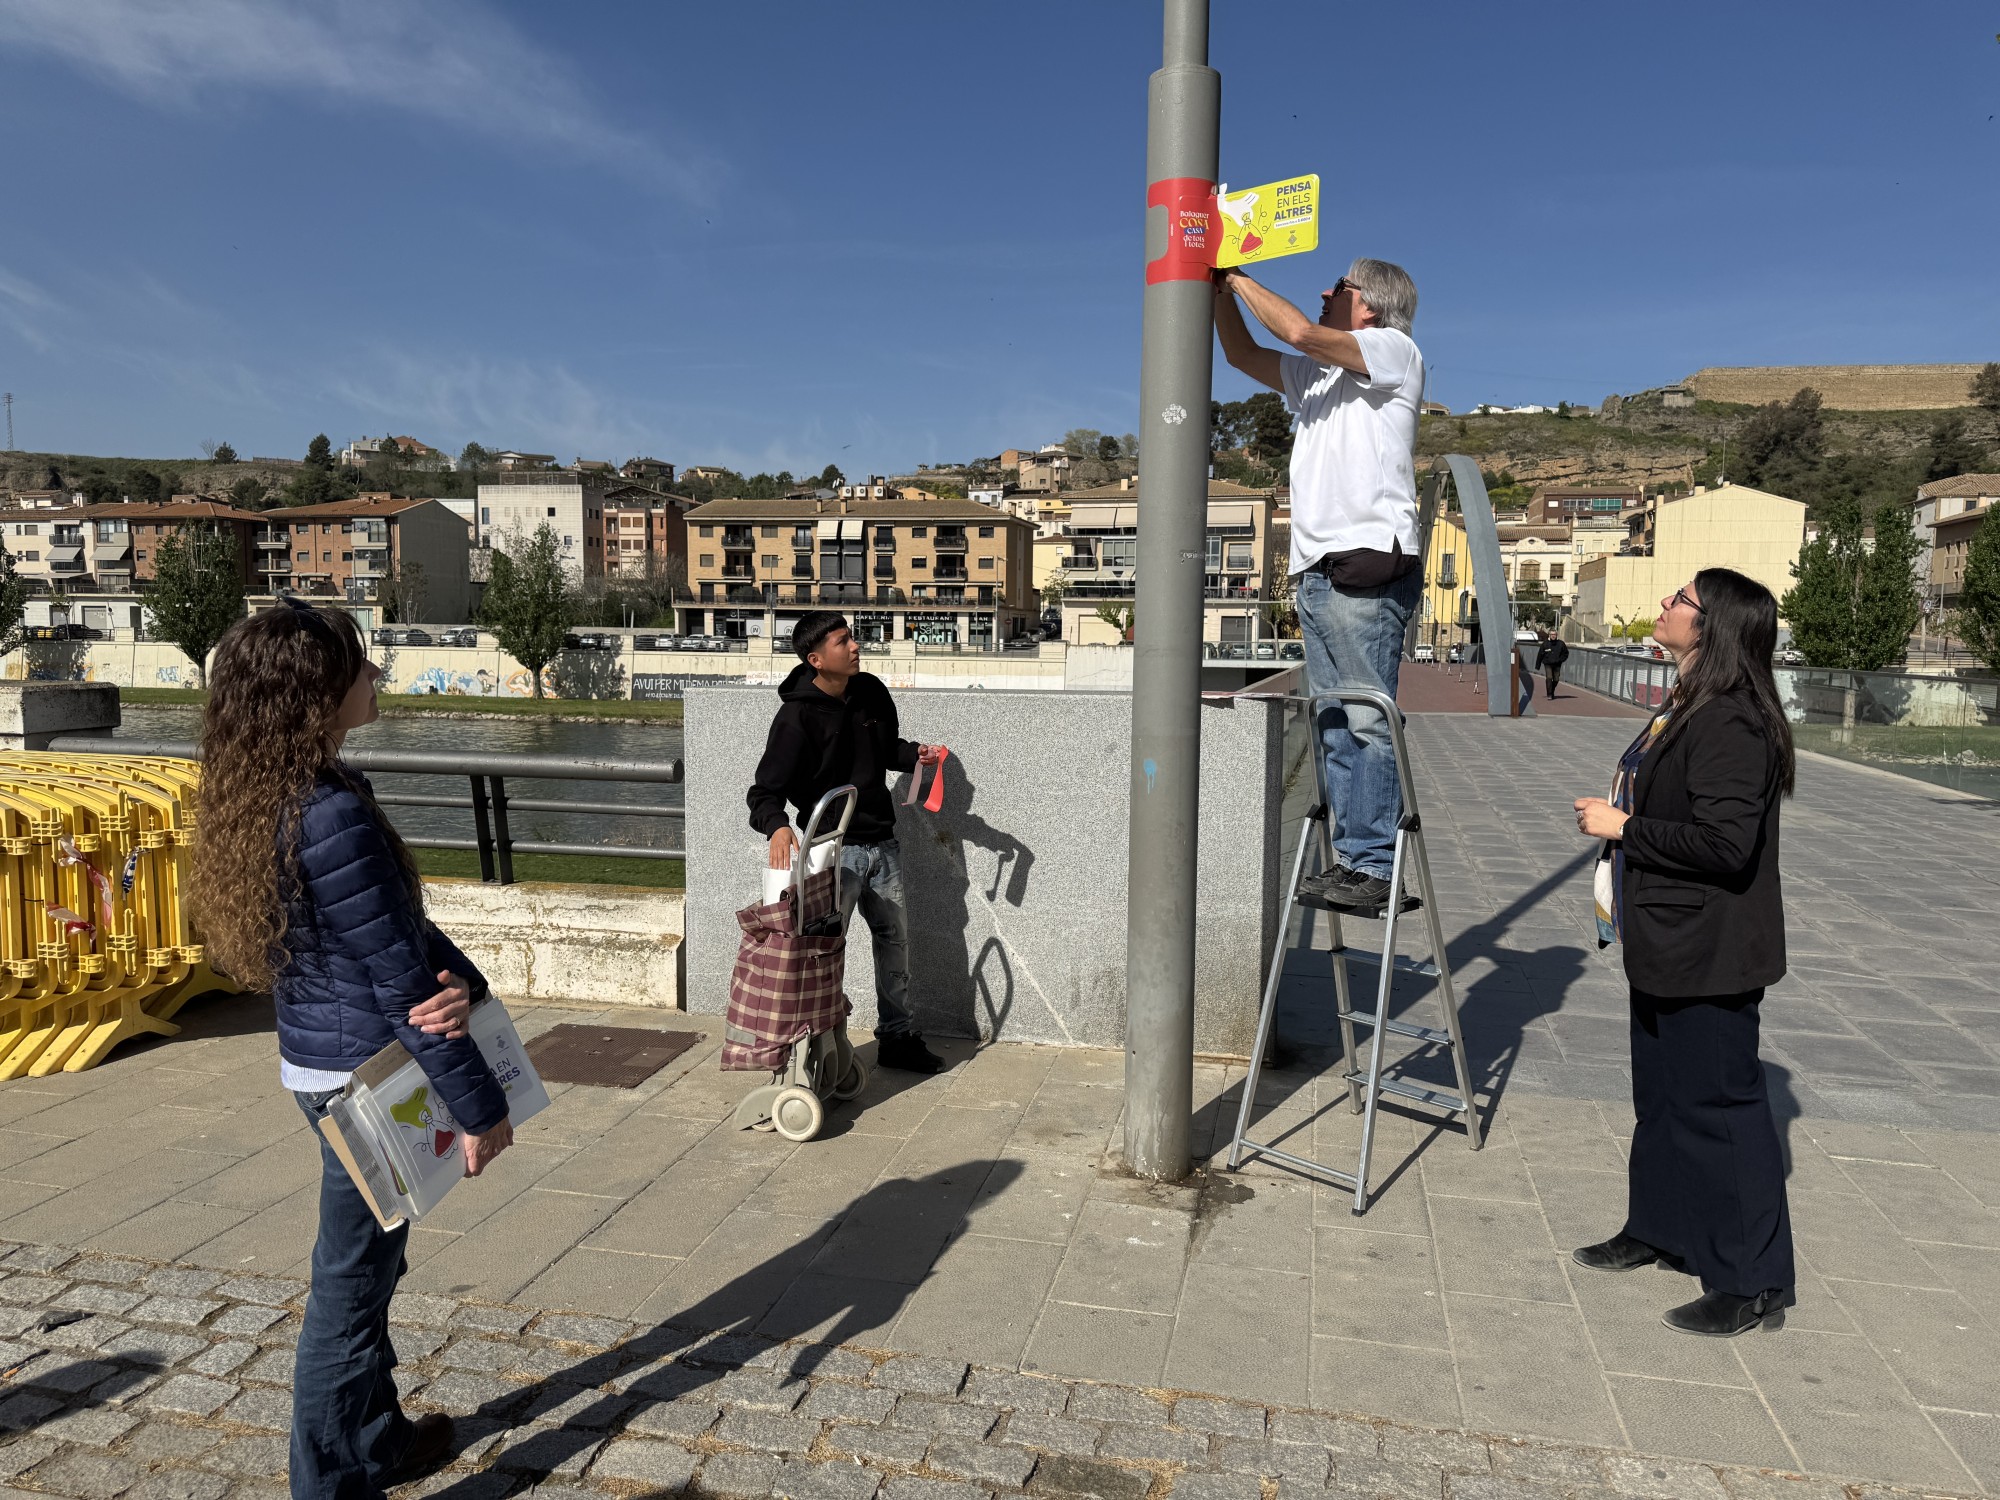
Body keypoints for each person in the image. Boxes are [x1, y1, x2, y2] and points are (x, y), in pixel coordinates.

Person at [190, 602, 512, 1499]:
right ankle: (331, 1483)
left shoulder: (282, 789)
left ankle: (376, 1440)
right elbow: (404, 990)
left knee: (372, 1265)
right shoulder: (330, 813)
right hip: (367, 1078)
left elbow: (396, 935)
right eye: (360, 665)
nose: (375, 675)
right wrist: (481, 1109)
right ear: (314, 692)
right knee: (349, 1293)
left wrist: (471, 983)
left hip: (325, 1061)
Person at [1570, 569, 1796, 1337]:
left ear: (1712, 625)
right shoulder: (1690, 702)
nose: (1665, 603)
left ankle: (1751, 1281)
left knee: (1720, 1112)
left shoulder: (1729, 718)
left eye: (1680, 599)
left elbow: (1727, 845)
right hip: (1667, 939)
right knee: (1664, 1099)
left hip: (1712, 951)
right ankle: (1661, 1229)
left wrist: (1624, 828)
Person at [1215, 257, 1424, 912]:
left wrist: (1236, 275)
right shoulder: (1318, 376)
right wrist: (1215, 289)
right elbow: (1242, 353)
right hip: (1319, 570)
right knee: (1333, 722)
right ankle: (1353, 862)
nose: (1326, 291)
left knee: (1366, 719)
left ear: (1371, 306)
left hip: (1366, 560)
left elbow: (1299, 332)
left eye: (1341, 287)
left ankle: (1375, 867)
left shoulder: (1393, 350)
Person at [748, 611, 947, 1074]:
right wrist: (777, 826)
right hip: (832, 851)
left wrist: (915, 755)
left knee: (895, 943)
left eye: (852, 637)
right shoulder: (796, 716)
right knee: (823, 952)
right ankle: (819, 1044)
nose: (855, 646)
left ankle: (896, 1039)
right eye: (843, 641)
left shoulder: (871, 691)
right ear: (816, 659)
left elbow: (885, 748)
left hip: (883, 843)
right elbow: (764, 791)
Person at [1540, 630, 1570, 699]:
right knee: (1549, 677)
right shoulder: (1545, 643)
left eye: (1554, 634)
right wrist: (1538, 664)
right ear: (1549, 635)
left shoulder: (1561, 643)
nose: (1553, 636)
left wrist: (1561, 660)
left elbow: (1566, 653)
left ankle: (1552, 690)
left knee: (1556, 679)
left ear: (1556, 635)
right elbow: (1540, 654)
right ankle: (1549, 694)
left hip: (1557, 664)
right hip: (1548, 663)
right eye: (1552, 634)